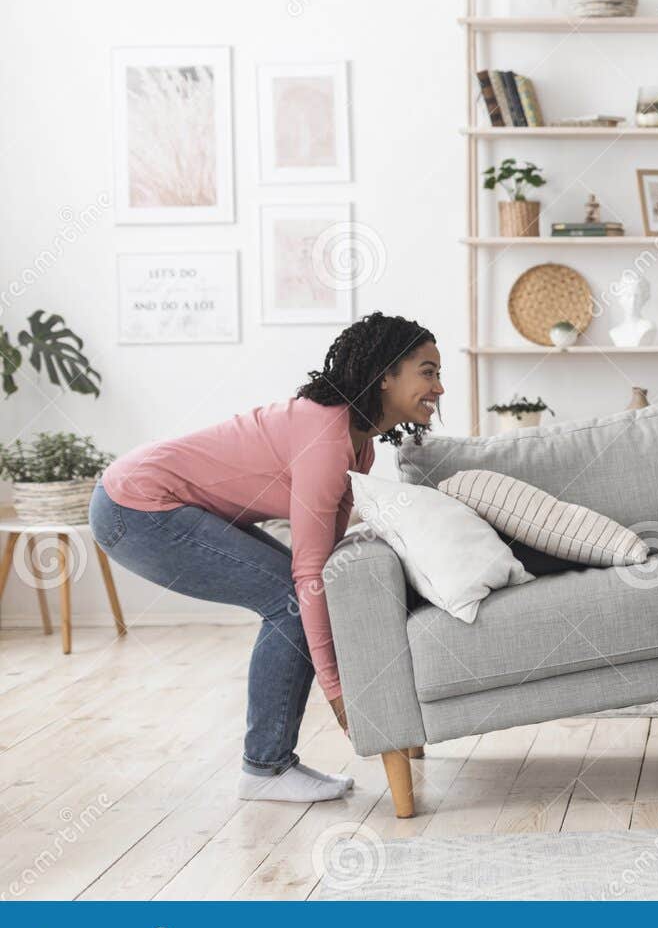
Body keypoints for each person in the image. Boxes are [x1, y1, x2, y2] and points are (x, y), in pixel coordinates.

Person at [89, 313, 443, 803]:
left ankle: (270, 764)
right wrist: (338, 691)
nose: (439, 388)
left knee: (294, 594)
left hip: (148, 501)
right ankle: (266, 767)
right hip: (135, 507)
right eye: (427, 372)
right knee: (291, 599)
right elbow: (309, 575)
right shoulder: (327, 437)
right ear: (385, 375)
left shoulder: (356, 447)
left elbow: (326, 560)